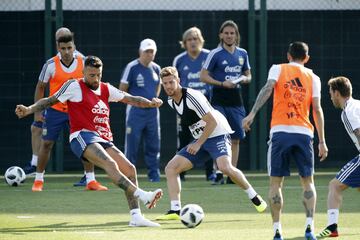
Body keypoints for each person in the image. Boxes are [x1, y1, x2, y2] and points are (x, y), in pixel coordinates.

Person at [15, 55, 163, 227]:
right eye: (92, 75)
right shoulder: (73, 86)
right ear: (84, 71)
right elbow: (49, 100)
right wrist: (29, 109)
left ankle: (136, 217)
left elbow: (131, 99)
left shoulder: (106, 89)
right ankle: (143, 195)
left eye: (98, 74)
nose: (95, 78)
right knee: (110, 164)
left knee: (130, 169)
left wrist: (150, 103)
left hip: (103, 138)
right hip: (81, 136)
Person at [155, 66, 267, 221]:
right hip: (201, 138)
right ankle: (175, 210)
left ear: (178, 80)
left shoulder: (192, 96)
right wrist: (197, 142)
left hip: (217, 133)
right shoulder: (170, 101)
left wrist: (198, 144)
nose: (168, 86)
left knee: (224, 167)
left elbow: (212, 122)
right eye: (165, 83)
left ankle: (254, 197)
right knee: (171, 168)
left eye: (171, 82)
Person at [242, 41, 328, 240]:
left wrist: (252, 113)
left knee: (275, 184)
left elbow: (268, 88)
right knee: (308, 183)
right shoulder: (313, 77)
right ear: (306, 58)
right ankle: (309, 227)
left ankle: (277, 230)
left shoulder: (278, 68)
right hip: (305, 133)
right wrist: (322, 141)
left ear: (288, 55)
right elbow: (317, 109)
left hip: (280, 132)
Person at [29, 30, 107, 191]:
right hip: (55, 110)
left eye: (69, 48)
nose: (66, 52)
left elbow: (92, 83)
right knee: (47, 144)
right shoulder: (50, 64)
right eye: (62, 48)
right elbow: (41, 87)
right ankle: (38, 180)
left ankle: (91, 180)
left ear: (74, 47)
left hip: (77, 110)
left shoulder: (83, 62)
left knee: (86, 143)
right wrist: (37, 112)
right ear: (58, 47)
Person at [200, 20, 252, 184]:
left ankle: (232, 175)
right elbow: (203, 76)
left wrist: (244, 79)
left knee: (236, 138)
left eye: (232, 33)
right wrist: (222, 83)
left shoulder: (242, 53)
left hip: (236, 100)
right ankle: (219, 172)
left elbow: (249, 75)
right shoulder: (215, 53)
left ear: (236, 35)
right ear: (221, 35)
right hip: (218, 99)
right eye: (226, 33)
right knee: (220, 136)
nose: (229, 36)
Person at [317, 76, 360, 238]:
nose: (330, 96)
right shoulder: (358, 104)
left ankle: (332, 227)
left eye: (330, 92)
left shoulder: (348, 111)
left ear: (337, 93)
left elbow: (358, 132)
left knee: (335, 185)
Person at [172, 26, 214, 181]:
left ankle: (210, 173)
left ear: (201, 40)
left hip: (205, 107)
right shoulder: (179, 60)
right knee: (183, 139)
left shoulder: (209, 56)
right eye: (189, 39)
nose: (192, 42)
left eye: (195, 38)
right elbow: (174, 84)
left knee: (208, 139)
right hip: (186, 107)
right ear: (184, 43)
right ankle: (180, 173)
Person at [119, 38, 161, 182]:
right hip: (135, 112)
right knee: (132, 144)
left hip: (152, 113)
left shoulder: (156, 68)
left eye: (152, 52)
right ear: (140, 52)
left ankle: (154, 175)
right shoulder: (132, 67)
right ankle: (128, 174)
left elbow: (157, 89)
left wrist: (153, 101)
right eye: (146, 51)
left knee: (154, 144)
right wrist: (135, 103)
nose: (149, 54)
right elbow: (122, 90)